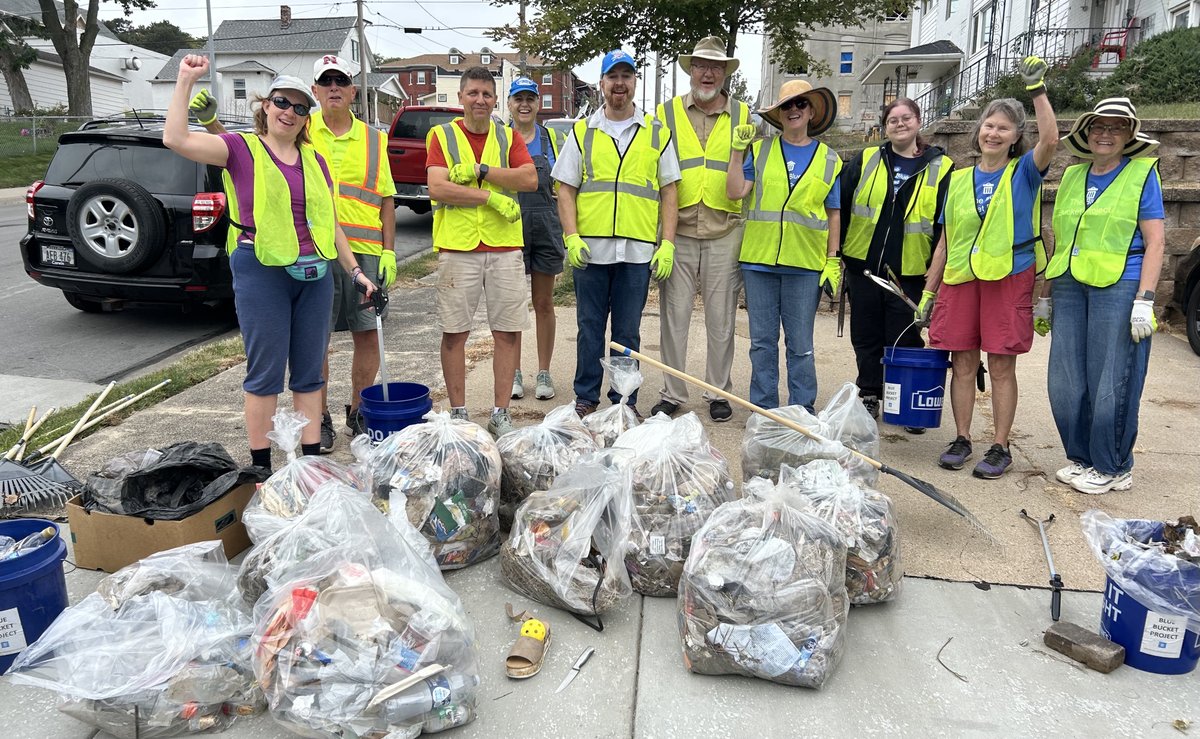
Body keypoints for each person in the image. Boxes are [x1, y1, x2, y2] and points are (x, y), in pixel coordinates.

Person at [164, 55, 376, 471]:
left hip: (314, 274)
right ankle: (262, 469)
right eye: (281, 102)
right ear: (266, 105)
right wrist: (185, 79)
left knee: (310, 374)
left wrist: (355, 271)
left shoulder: (315, 160)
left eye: (300, 107)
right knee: (265, 375)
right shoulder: (240, 148)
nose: (289, 112)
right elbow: (175, 139)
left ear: (307, 117)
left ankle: (310, 467)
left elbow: (330, 222)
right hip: (261, 271)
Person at [916, 56, 1057, 479]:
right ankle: (961, 438)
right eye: (989, 125)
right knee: (961, 363)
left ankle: (1000, 446)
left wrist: (1037, 91)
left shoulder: (1024, 171)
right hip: (960, 279)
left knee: (1000, 365)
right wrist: (929, 291)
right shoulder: (958, 179)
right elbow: (945, 241)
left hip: (1008, 277)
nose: (993, 133)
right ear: (979, 131)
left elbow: (1051, 139)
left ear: (1016, 138)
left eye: (1004, 128)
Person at [1040, 98, 1164, 494]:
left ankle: (1113, 465)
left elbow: (1156, 241)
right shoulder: (1073, 176)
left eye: (1116, 127)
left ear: (1129, 135)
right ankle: (1082, 457)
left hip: (1120, 283)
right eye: (1098, 126)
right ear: (1086, 132)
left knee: (1111, 377)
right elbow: (1061, 238)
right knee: (1066, 379)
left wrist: (1145, 299)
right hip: (1069, 283)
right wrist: (1045, 294)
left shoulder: (1141, 175)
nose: (1105, 134)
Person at [552, 49, 681, 419]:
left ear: (634, 82)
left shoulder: (656, 133)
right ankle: (586, 397)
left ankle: (624, 401)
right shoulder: (582, 132)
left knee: (627, 333)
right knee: (589, 328)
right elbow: (565, 188)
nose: (619, 84)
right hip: (590, 251)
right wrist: (571, 236)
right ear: (602, 84)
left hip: (636, 252)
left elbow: (669, 190)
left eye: (626, 76)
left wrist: (667, 243)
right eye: (613, 77)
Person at [426, 66, 537, 437]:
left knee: (507, 332)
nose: (480, 100)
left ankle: (500, 413)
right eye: (473, 93)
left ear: (495, 99)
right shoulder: (441, 135)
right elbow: (438, 188)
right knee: (454, 333)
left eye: (487, 94)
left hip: (504, 246)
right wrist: (489, 197)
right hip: (458, 247)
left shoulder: (507, 136)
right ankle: (459, 413)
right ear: (461, 97)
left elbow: (529, 178)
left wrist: (481, 170)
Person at [725, 79, 841, 413]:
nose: (793, 110)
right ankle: (763, 410)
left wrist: (833, 259)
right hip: (759, 262)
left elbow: (833, 213)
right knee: (762, 343)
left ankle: (801, 411)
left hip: (804, 264)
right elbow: (734, 192)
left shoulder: (829, 159)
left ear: (812, 111)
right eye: (786, 105)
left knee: (800, 344)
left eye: (801, 104)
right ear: (778, 114)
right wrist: (736, 152)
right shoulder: (760, 150)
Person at [651, 36, 750, 423]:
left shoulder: (744, 115)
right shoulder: (666, 113)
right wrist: (661, 237)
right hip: (678, 231)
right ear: (690, 70)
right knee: (673, 318)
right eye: (701, 66)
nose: (708, 73)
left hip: (725, 229)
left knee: (721, 319)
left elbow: (751, 171)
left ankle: (717, 392)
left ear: (725, 73)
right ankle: (672, 392)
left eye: (716, 67)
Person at [840, 98, 953, 430]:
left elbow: (946, 225)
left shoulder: (942, 167)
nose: (900, 124)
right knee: (866, 335)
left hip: (911, 271)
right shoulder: (867, 159)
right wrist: (840, 255)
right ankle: (870, 393)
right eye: (893, 120)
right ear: (884, 126)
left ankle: (904, 399)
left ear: (918, 121)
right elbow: (842, 205)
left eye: (906, 118)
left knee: (904, 336)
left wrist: (937, 272)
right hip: (864, 266)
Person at [506, 77, 566, 403]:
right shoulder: (500, 139)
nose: (524, 104)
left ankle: (544, 372)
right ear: (510, 104)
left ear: (538, 103)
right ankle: (513, 372)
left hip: (544, 226)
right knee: (513, 306)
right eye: (519, 98)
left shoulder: (551, 139)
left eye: (530, 98)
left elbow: (565, 185)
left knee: (543, 303)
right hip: (509, 227)